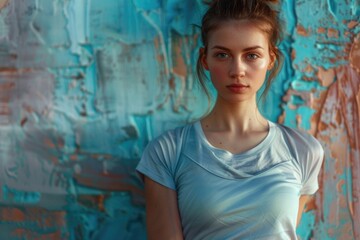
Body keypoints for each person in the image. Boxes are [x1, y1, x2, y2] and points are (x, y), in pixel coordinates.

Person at [136, 0, 324, 239]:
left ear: (271, 59)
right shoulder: (168, 152)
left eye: (252, 55)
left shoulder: (303, 150)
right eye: (223, 54)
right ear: (205, 59)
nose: (237, 70)